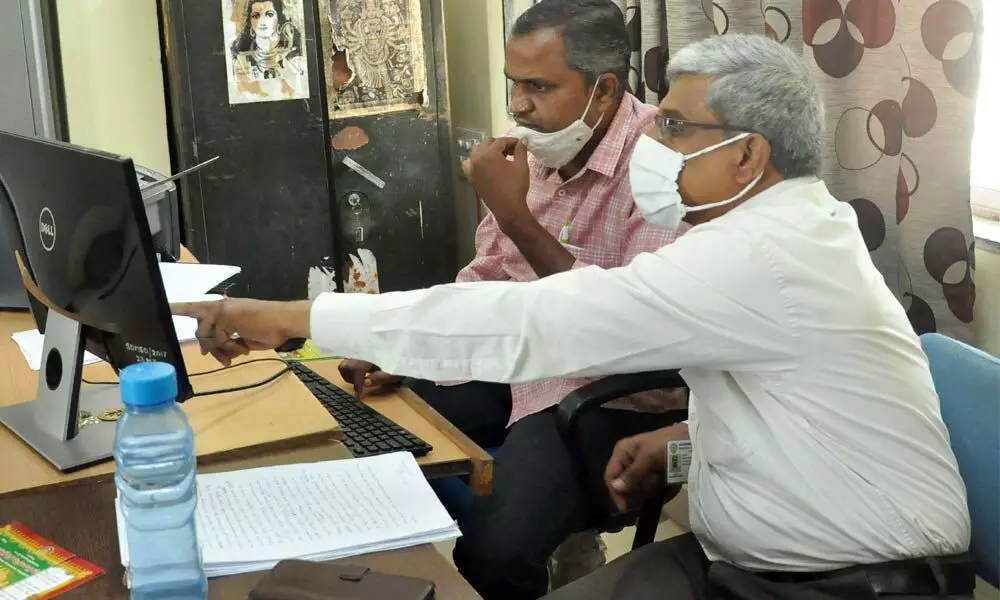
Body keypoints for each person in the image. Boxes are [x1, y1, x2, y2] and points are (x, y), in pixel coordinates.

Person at [174, 33, 974, 600]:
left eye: (675, 126)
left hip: (839, 584)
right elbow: (791, 399)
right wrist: (688, 445)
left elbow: (535, 321)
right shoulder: (780, 231)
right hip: (743, 555)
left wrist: (296, 316)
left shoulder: (763, 255)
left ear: (748, 156)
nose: (651, 141)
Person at [338, 1, 683, 597]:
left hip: (612, 391)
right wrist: (410, 341)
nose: (517, 105)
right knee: (367, 434)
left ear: (602, 92)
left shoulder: (661, 164)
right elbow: (488, 274)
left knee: (496, 554)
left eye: (539, 87)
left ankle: (549, 547)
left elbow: (631, 333)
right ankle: (561, 548)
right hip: (520, 358)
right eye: (513, 84)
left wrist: (513, 211)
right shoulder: (537, 147)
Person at [231, 0, 305, 82]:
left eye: (269, 15)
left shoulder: (294, 54)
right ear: (250, 22)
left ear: (278, 20)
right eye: (256, 16)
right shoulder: (240, 57)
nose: (262, 21)